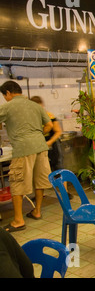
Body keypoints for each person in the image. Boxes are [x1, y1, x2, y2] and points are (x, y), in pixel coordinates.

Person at [0, 81, 53, 232]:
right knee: (40, 180)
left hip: (23, 149)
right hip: (41, 147)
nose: (5, 98)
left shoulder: (8, 106)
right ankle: (37, 211)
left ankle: (18, 221)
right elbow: (49, 125)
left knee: (17, 182)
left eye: (4, 96)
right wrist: (35, 136)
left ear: (8, 93)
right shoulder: (35, 105)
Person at [29, 96, 73, 200]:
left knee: (58, 167)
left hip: (53, 145)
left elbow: (58, 131)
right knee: (38, 170)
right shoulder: (32, 117)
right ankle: (39, 194)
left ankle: (65, 192)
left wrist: (50, 142)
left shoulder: (49, 115)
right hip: (39, 146)